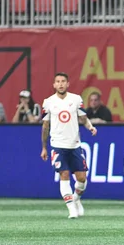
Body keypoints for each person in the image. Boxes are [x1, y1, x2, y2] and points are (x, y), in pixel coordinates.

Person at [40, 73, 98, 219]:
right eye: (58, 82)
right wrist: (44, 147)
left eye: (63, 81)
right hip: (58, 145)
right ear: (54, 85)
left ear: (68, 84)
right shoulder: (48, 102)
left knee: (82, 178)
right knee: (64, 174)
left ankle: (76, 199)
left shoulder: (76, 99)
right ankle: (71, 208)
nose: (60, 84)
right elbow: (45, 125)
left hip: (75, 145)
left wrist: (90, 127)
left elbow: (83, 117)